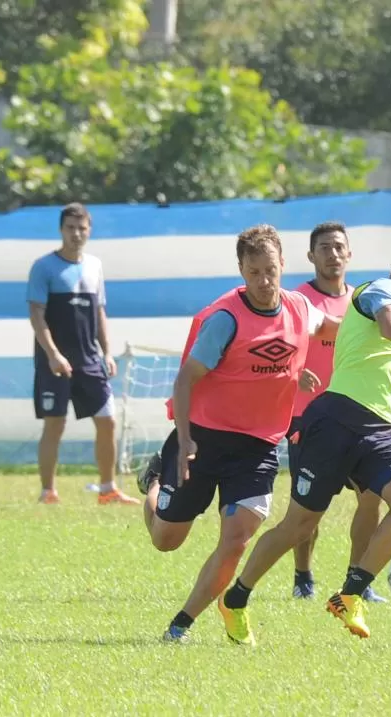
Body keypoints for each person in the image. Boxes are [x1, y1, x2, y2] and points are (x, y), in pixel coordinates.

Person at [218, 245, 391, 644]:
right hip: (335, 421)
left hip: (380, 431)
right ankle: (235, 598)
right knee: (299, 526)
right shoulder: (380, 290)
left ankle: (350, 594)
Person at [135, 224, 340, 644]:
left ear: (283, 264)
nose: (264, 282)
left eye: (271, 271)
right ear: (242, 272)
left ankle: (181, 625)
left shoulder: (300, 307)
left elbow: (328, 328)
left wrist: (381, 321)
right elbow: (186, 380)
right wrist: (186, 438)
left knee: (237, 539)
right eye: (254, 273)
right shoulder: (226, 321)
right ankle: (154, 482)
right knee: (166, 540)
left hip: (258, 446)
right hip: (203, 440)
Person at [287, 221, 386, 605]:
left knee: (371, 497)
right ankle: (303, 575)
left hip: (358, 416)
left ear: (350, 254)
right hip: (309, 418)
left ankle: (357, 580)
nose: (333, 254)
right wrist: (296, 374)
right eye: (324, 248)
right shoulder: (298, 300)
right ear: (312, 256)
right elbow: (284, 346)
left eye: (339, 247)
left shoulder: (363, 301)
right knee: (308, 509)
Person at [27, 202, 138, 506]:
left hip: (90, 359)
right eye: (70, 228)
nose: (76, 233)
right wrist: (52, 354)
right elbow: (36, 314)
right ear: (61, 230)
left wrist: (108, 353)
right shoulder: (43, 267)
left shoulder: (94, 266)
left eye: (82, 228)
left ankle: (108, 489)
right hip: (55, 362)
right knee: (55, 424)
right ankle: (48, 492)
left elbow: (99, 311)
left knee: (108, 421)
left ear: (89, 230)